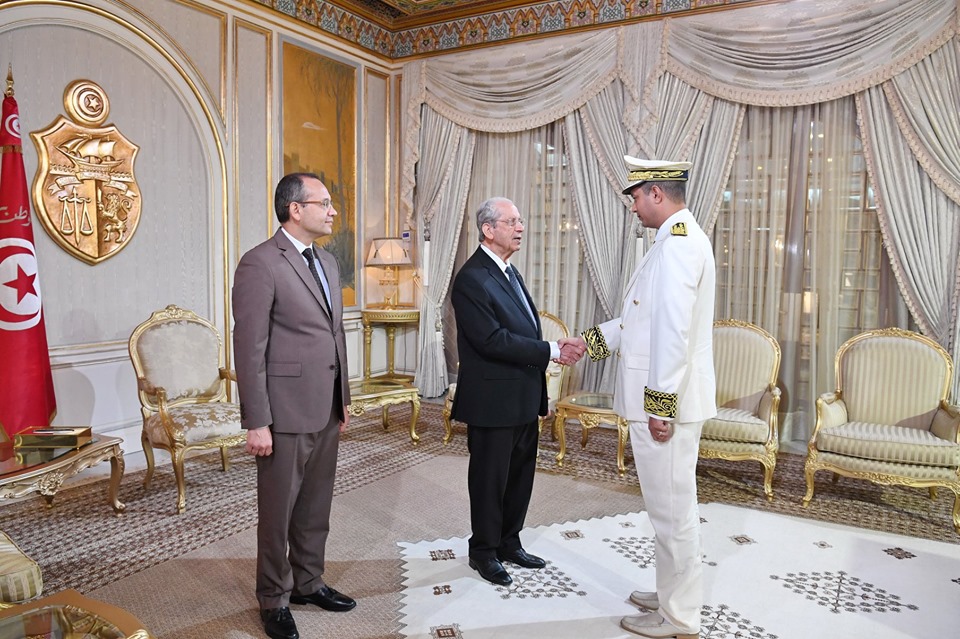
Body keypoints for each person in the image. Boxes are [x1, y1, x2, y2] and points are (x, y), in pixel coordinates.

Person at [571, 158, 716, 639]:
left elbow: (672, 333)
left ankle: (679, 618)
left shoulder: (678, 245)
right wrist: (587, 344)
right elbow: (640, 320)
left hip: (666, 406)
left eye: (634, 197)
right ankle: (671, 592)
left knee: (673, 513)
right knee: (666, 508)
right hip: (665, 400)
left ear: (656, 192)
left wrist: (660, 408)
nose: (632, 207)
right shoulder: (672, 241)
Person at [233, 172, 355, 639]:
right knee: (278, 512)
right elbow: (249, 348)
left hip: (325, 405)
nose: (332, 211)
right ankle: (273, 598)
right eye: (324, 203)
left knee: (315, 506)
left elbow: (335, 334)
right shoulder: (260, 263)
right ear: (295, 209)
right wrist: (257, 420)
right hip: (282, 412)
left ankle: (308, 582)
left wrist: (343, 399)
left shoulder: (327, 261)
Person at [451, 196, 584, 587]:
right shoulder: (472, 278)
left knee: (520, 476)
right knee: (490, 480)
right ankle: (483, 551)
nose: (521, 228)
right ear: (488, 229)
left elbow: (523, 328)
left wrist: (544, 363)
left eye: (520, 220)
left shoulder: (508, 271)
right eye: (512, 222)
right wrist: (552, 350)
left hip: (522, 396)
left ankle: (509, 542)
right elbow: (491, 340)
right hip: (492, 401)